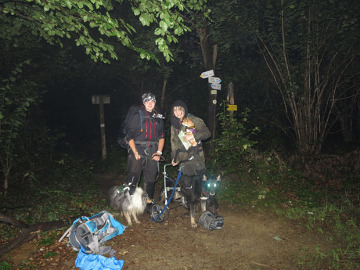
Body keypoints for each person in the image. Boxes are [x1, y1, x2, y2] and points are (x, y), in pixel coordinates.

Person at [170, 100, 211, 227]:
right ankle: (192, 209)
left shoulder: (193, 119)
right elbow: (174, 145)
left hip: (197, 159)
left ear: (184, 109)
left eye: (179, 109)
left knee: (203, 186)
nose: (177, 112)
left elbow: (207, 133)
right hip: (184, 161)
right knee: (187, 187)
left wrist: (195, 136)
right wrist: (174, 158)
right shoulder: (174, 125)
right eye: (175, 109)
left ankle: (207, 211)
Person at [123, 92, 165, 205]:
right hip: (137, 148)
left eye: (152, 101)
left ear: (155, 102)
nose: (150, 103)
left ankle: (148, 203)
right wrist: (135, 151)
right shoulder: (137, 115)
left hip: (153, 149)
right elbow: (129, 135)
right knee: (133, 176)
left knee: (150, 178)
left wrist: (159, 152)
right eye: (147, 101)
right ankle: (128, 203)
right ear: (144, 102)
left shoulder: (158, 116)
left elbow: (161, 136)